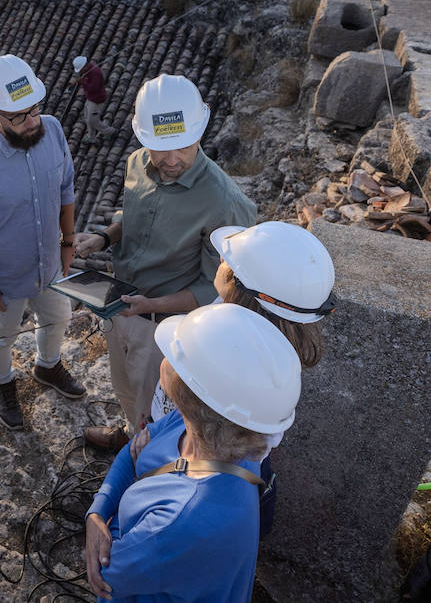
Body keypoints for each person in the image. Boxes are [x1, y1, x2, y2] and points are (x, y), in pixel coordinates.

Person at [73, 74, 256, 451]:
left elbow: (215, 288)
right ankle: (128, 434)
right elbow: (138, 216)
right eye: (160, 149)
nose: (171, 160)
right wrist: (104, 237)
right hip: (122, 305)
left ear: (200, 133)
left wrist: (151, 306)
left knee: (157, 408)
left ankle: (144, 468)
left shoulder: (224, 202)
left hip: (165, 325)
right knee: (125, 389)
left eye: (183, 147)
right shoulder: (138, 163)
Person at [84, 303, 302, 602]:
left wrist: (107, 518)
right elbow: (128, 455)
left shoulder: (183, 520)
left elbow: (107, 575)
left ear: (190, 388)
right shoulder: (209, 426)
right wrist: (99, 509)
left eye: (175, 355)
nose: (166, 356)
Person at [138, 220, 335, 536]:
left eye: (228, 259)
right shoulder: (251, 320)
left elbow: (201, 428)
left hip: (193, 463)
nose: (220, 259)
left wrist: (157, 437)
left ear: (239, 283)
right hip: (207, 456)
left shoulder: (237, 357)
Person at [0, 54, 85, 431]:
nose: (32, 121)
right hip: (4, 277)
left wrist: (68, 242)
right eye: (19, 116)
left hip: (49, 265)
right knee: (1, 335)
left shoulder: (52, 130)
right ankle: (3, 384)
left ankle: (47, 365)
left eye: (35, 108)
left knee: (59, 317)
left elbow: (66, 188)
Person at [73, 55, 116, 140]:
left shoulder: (95, 72)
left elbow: (93, 88)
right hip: (91, 98)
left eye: (81, 70)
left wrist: (83, 82)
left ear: (85, 66)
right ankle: (91, 137)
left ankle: (111, 132)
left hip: (97, 100)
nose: (81, 72)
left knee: (93, 120)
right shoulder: (87, 71)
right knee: (87, 118)